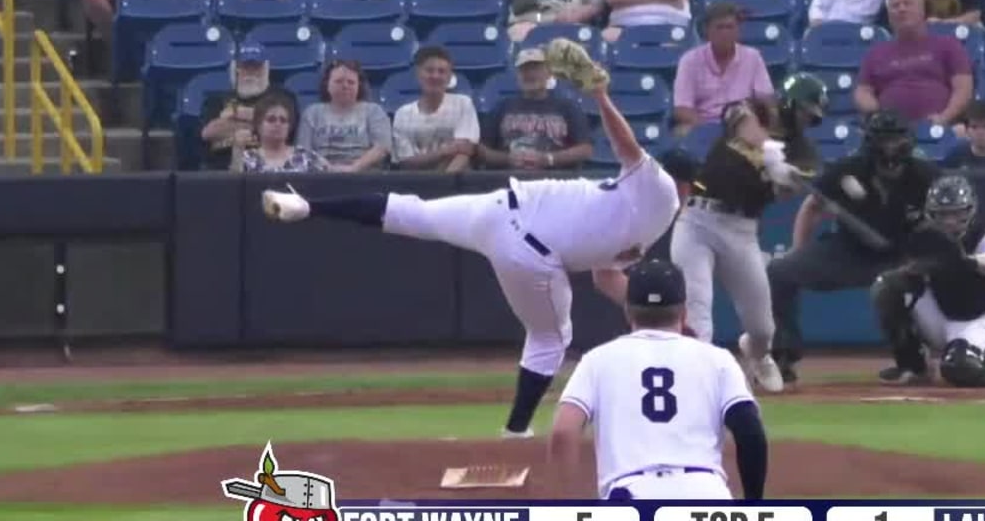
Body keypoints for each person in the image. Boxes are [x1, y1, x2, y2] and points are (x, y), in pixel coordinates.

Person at [261, 41, 683, 439]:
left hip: (500, 209)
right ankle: (515, 432)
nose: (689, 193)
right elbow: (628, 147)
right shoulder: (662, 190)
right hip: (531, 251)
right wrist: (601, 96)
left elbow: (606, 278)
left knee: (413, 212)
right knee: (550, 339)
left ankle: (307, 207)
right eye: (690, 186)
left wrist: (655, 318)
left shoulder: (638, 216)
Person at [549, 258, 772, 521]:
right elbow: (750, 431)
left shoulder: (598, 360)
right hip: (705, 506)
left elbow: (563, 432)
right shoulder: (716, 359)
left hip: (632, 511)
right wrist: (753, 512)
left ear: (628, 311)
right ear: (683, 312)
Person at [768, 110, 940, 386]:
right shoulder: (848, 169)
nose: (891, 148)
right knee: (779, 271)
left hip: (901, 255)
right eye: (885, 141)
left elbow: (940, 222)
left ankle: (912, 361)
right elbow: (812, 206)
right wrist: (797, 249)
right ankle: (783, 355)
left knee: (907, 286)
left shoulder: (926, 175)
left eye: (896, 140)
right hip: (848, 251)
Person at [671, 99, 813, 395]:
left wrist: (786, 179)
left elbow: (796, 181)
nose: (747, 127)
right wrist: (768, 162)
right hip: (696, 223)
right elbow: (738, 140)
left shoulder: (790, 153)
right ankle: (699, 375)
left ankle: (758, 354)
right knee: (698, 305)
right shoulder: (732, 136)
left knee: (762, 328)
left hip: (741, 231)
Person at [870, 175, 985, 386]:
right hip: (942, 313)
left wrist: (967, 262)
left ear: (969, 211)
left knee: (959, 368)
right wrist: (913, 271)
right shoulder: (926, 239)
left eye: (956, 213)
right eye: (943, 214)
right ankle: (914, 365)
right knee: (885, 287)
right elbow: (906, 275)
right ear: (931, 214)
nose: (949, 221)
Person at [855, 0, 974, 125]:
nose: (901, 9)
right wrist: (876, 113)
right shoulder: (875, 53)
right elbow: (863, 90)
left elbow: (963, 88)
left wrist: (944, 117)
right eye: (895, 6)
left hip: (939, 127)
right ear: (889, 16)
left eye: (908, 3)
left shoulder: (948, 46)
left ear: (922, 10)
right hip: (890, 130)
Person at [478, 48, 595, 171]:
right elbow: (482, 150)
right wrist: (507, 158)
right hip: (510, 176)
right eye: (524, 69)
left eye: (536, 68)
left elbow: (585, 149)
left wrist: (549, 159)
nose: (530, 74)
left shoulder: (567, 107)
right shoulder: (502, 107)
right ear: (518, 75)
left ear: (549, 73)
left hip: (554, 178)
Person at [671, 1, 776, 135]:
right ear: (707, 31)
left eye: (730, 27)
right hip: (702, 124)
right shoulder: (689, 60)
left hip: (742, 123)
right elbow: (682, 109)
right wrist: (708, 130)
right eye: (719, 27)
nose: (725, 33)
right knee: (681, 132)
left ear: (738, 30)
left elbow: (766, 99)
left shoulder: (753, 57)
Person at [199, 39, 299, 171]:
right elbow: (208, 133)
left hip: (267, 167)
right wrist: (261, 122)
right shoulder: (216, 100)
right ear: (236, 69)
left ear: (265, 69)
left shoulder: (283, 97)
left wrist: (234, 114)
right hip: (221, 168)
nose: (250, 72)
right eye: (245, 67)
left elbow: (287, 127)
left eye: (256, 67)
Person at [390, 46, 480, 172]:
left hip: (454, 179)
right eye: (429, 70)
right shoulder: (402, 114)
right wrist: (445, 152)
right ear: (418, 74)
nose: (435, 76)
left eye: (441, 71)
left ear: (449, 77)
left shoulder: (463, 104)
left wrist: (444, 180)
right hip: (414, 180)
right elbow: (406, 161)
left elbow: (464, 152)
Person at [296, 60, 393, 171]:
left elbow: (382, 147)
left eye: (351, 82)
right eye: (338, 81)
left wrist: (355, 167)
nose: (345, 86)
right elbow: (303, 150)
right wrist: (327, 167)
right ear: (327, 85)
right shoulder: (312, 113)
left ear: (359, 86)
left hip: (364, 174)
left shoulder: (374, 111)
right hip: (320, 174)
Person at [240, 95, 329, 173]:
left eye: (283, 120)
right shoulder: (246, 159)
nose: (278, 124)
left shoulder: (306, 157)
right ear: (258, 125)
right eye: (271, 120)